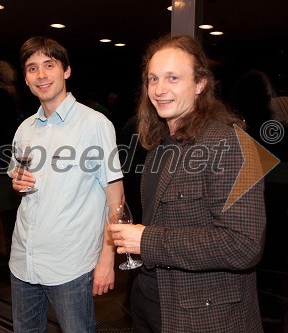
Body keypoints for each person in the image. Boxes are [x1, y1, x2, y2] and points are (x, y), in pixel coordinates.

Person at [109, 34, 266, 332]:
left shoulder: (231, 143)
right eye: (153, 79)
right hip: (149, 301)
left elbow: (244, 245)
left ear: (200, 84)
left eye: (172, 78)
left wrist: (147, 241)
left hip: (201, 316)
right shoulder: (159, 144)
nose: (159, 89)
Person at [9, 36, 124, 333]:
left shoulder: (95, 124)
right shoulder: (25, 128)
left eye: (49, 65)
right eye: (32, 68)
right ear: (26, 78)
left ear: (66, 71)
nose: (41, 75)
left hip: (70, 265)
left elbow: (116, 197)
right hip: (23, 259)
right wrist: (18, 182)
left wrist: (107, 259)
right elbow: (19, 177)